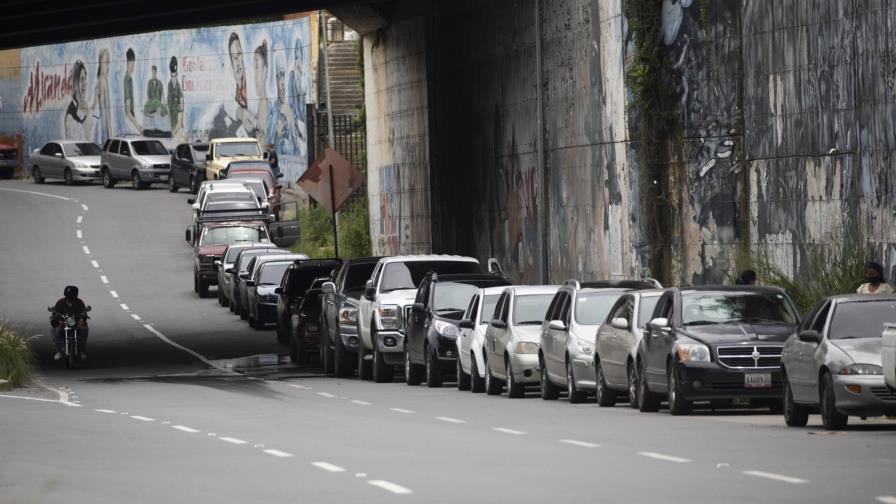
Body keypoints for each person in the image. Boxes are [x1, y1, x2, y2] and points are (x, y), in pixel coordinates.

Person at [51, 286, 89, 360]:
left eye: (72, 295)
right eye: (68, 295)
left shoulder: (79, 302)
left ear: (75, 295)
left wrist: (82, 320)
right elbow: (54, 314)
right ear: (65, 294)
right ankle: (59, 351)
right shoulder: (60, 302)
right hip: (63, 323)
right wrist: (59, 321)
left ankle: (81, 350)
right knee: (56, 330)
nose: (70, 297)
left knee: (84, 329)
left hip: (76, 323)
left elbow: (84, 313)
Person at [123, 48, 142, 133]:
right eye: (132, 62)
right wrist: (138, 127)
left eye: (133, 62)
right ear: (128, 62)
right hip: (129, 122)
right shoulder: (127, 80)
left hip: (132, 120)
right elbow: (128, 112)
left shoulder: (129, 79)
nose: (133, 65)